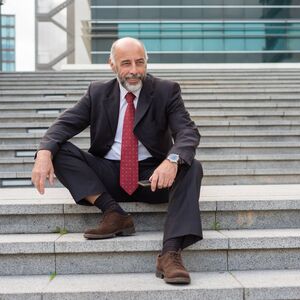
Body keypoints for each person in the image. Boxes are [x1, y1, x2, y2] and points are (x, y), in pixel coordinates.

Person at [31, 37, 203, 284]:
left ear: (147, 63)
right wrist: (44, 153)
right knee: (58, 150)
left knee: (192, 166)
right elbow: (64, 124)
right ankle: (114, 213)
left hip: (153, 178)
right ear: (112, 65)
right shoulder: (98, 92)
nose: (134, 70)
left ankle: (170, 253)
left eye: (140, 62)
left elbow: (187, 132)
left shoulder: (166, 91)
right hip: (109, 176)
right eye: (126, 63)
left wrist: (172, 160)